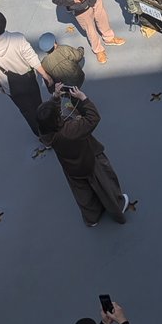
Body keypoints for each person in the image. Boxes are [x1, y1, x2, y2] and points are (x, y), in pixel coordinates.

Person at [36, 88, 129, 227]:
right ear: (57, 118)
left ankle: (92, 218)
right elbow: (93, 118)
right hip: (90, 162)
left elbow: (49, 118)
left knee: (83, 194)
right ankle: (118, 206)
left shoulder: (46, 135)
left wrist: (55, 98)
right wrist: (83, 98)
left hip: (71, 169)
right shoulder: (72, 129)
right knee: (105, 186)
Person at [0, 11, 50, 135]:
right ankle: (49, 130)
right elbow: (32, 58)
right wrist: (45, 75)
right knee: (38, 105)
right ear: (4, 23)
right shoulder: (18, 38)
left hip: (11, 87)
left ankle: (40, 135)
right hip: (29, 80)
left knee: (27, 111)